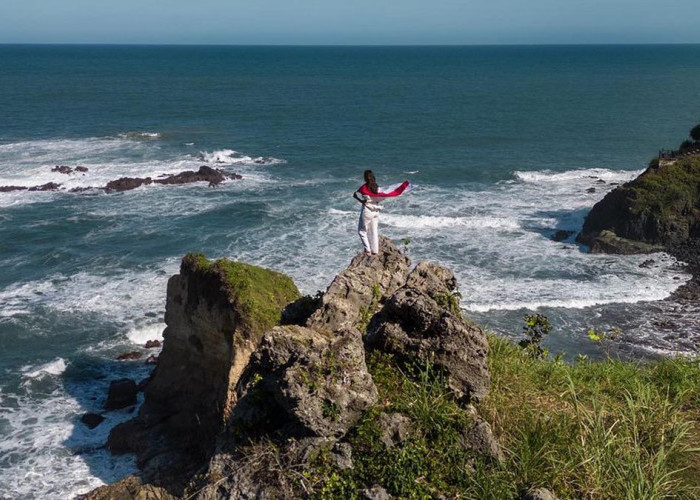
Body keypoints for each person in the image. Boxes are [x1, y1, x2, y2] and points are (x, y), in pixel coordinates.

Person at [353, 170, 382, 255]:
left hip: (367, 211)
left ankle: (367, 250)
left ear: (365, 178)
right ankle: (375, 251)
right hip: (376, 210)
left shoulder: (364, 187)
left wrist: (360, 200)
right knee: (374, 231)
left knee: (362, 231)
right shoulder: (376, 187)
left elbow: (355, 195)